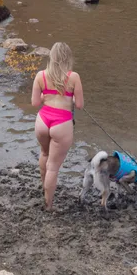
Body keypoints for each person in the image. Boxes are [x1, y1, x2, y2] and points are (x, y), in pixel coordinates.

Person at [31, 42, 84, 210]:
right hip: (61, 123)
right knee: (53, 167)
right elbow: (80, 105)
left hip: (43, 120)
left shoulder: (41, 75)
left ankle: (44, 188)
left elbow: (35, 103)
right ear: (68, 58)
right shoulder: (73, 77)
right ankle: (48, 205)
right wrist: (72, 99)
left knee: (44, 153)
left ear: (51, 57)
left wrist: (45, 94)